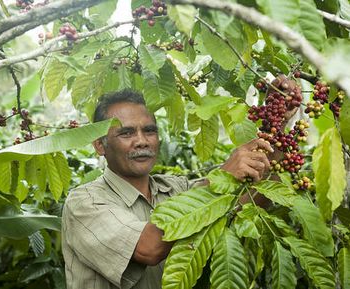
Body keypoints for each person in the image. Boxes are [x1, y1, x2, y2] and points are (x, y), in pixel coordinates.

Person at [61, 89, 274, 289]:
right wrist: (224, 175)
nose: (142, 141)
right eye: (126, 133)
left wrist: (277, 124)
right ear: (100, 145)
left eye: (149, 131)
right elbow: (149, 248)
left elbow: (248, 198)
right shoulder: (84, 201)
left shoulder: (175, 188)